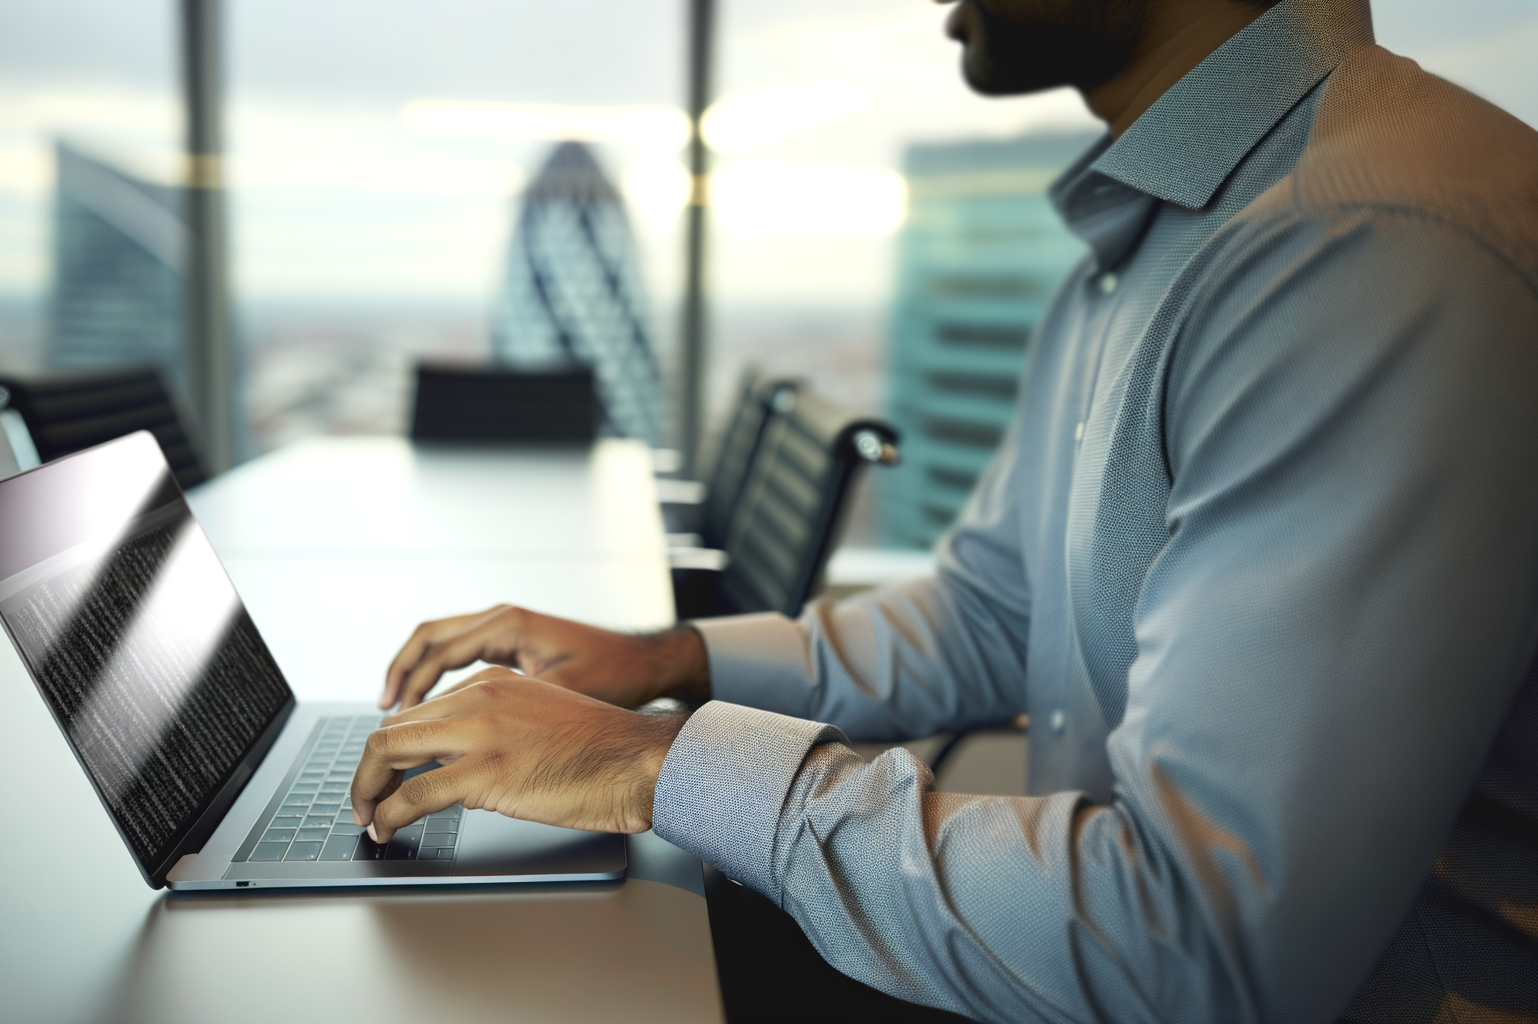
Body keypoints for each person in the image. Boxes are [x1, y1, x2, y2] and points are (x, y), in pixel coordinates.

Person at [350, 0, 1538, 1019]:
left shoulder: (1360, 252)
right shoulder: (1151, 253)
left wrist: (653, 762)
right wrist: (670, 660)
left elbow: (1194, 935)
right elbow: (988, 608)